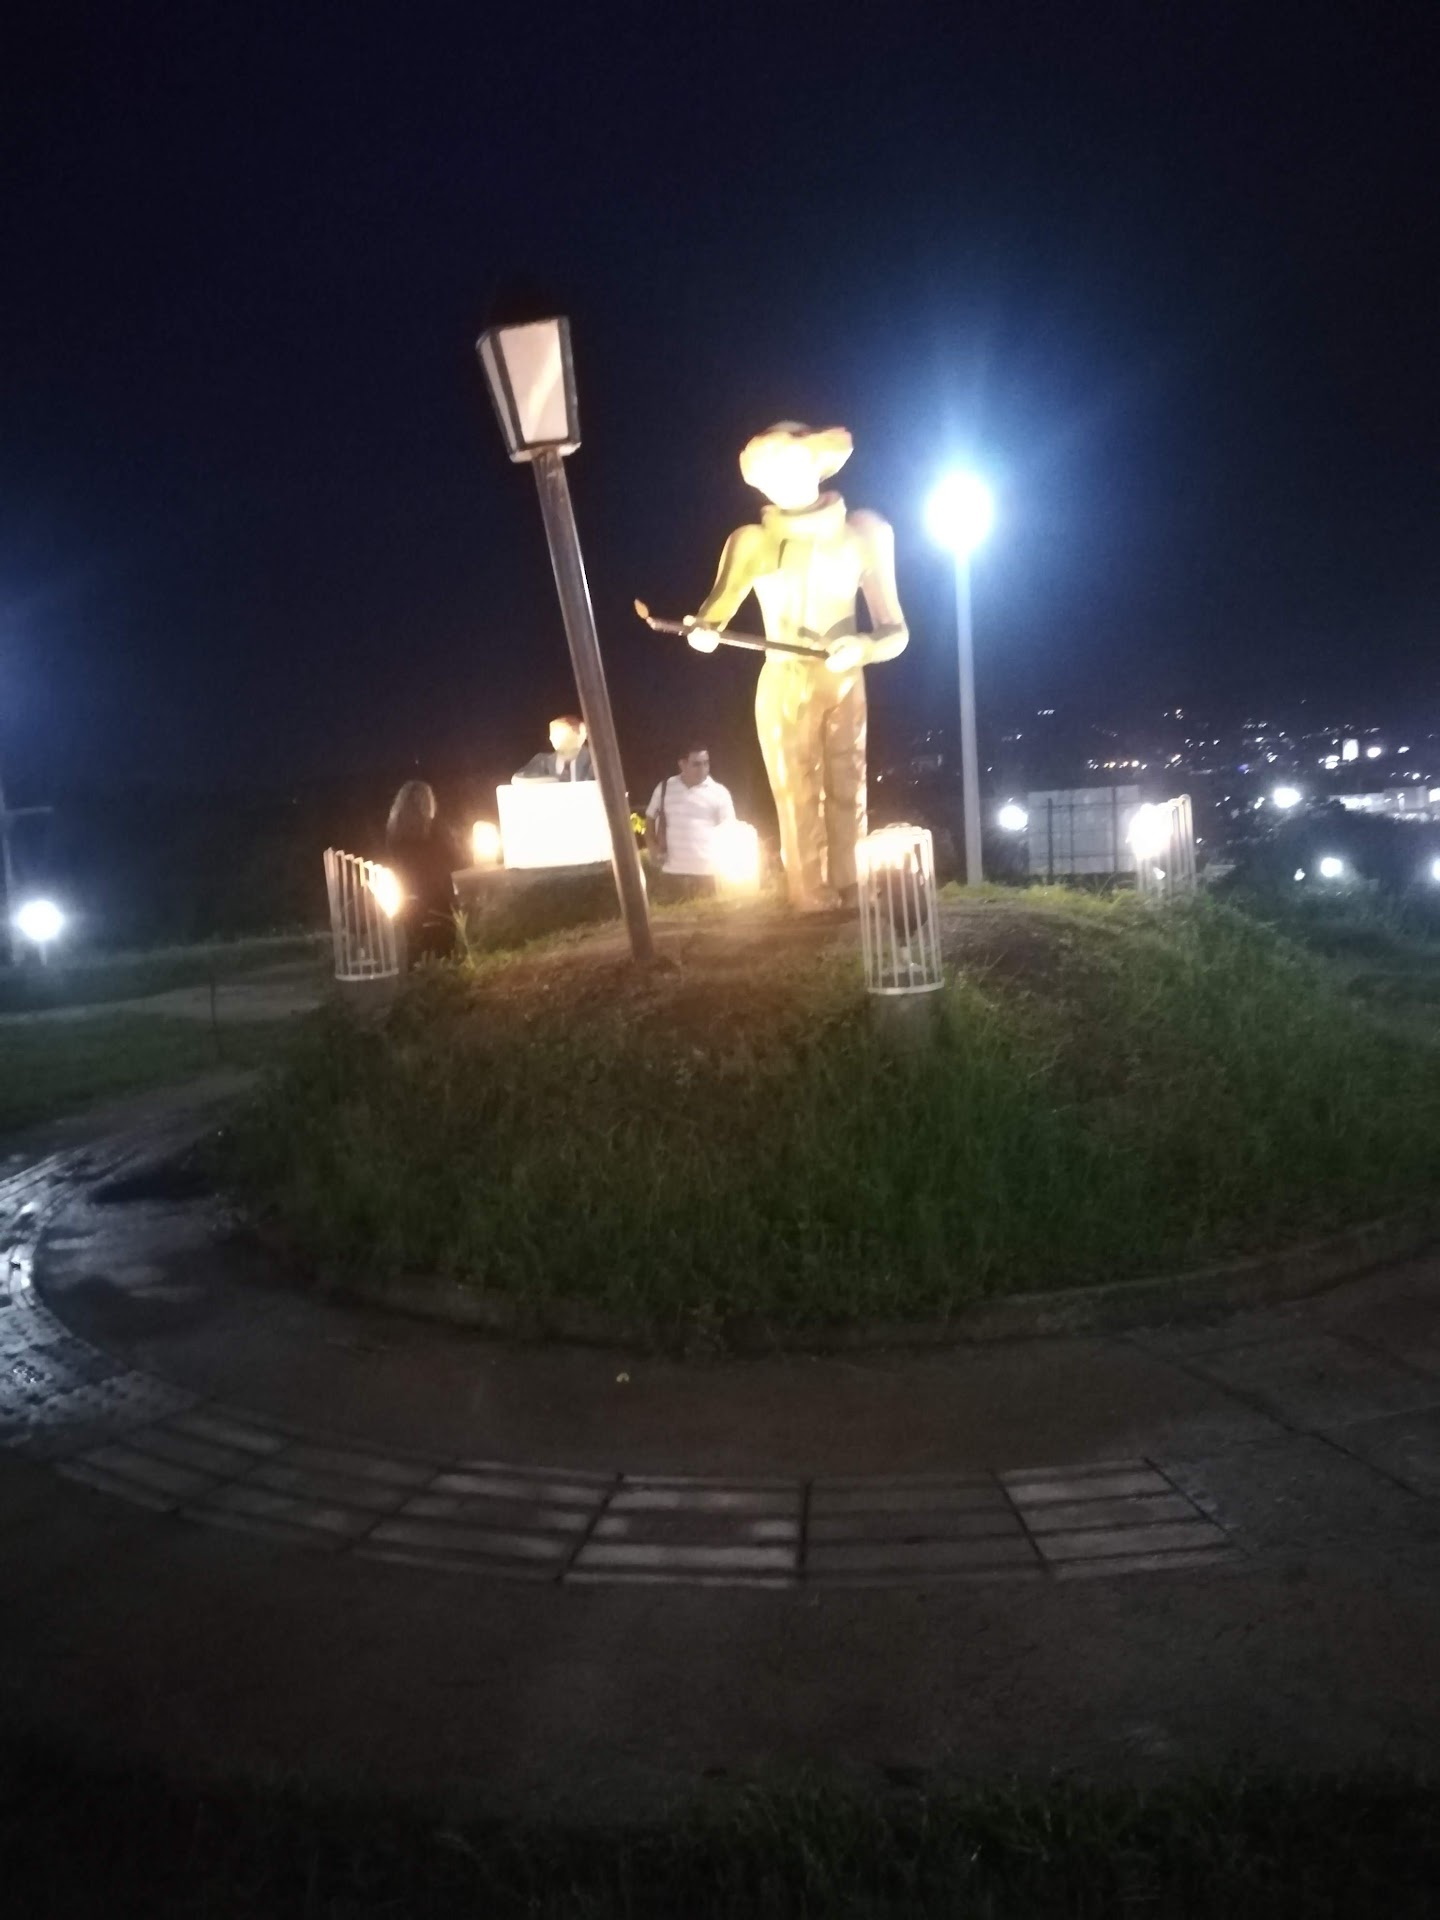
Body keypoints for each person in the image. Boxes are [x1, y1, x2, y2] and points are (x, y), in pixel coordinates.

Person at [685, 422, 908, 912]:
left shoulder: (864, 534)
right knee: (795, 790)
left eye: (788, 468)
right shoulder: (751, 542)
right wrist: (703, 632)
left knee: (849, 783)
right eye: (767, 476)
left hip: (844, 679)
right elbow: (715, 612)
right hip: (784, 679)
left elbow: (896, 632)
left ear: (818, 465)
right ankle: (808, 887)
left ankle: (850, 880)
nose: (779, 483)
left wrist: (863, 647)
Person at [384, 780, 459, 966]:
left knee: (415, 946)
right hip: (438, 896)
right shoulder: (434, 828)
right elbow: (453, 857)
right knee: (444, 947)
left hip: (408, 896)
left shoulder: (394, 830)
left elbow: (394, 861)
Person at [644, 744, 736, 896]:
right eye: (696, 764)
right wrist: (652, 846)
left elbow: (729, 829)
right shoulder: (665, 788)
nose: (703, 769)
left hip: (707, 874)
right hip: (671, 873)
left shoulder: (719, 792)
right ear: (682, 764)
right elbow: (649, 820)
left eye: (706, 763)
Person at [514, 715, 595, 782]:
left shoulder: (594, 761)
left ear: (581, 736)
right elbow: (518, 779)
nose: (552, 738)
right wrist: (551, 780)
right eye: (553, 734)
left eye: (561, 734)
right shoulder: (542, 761)